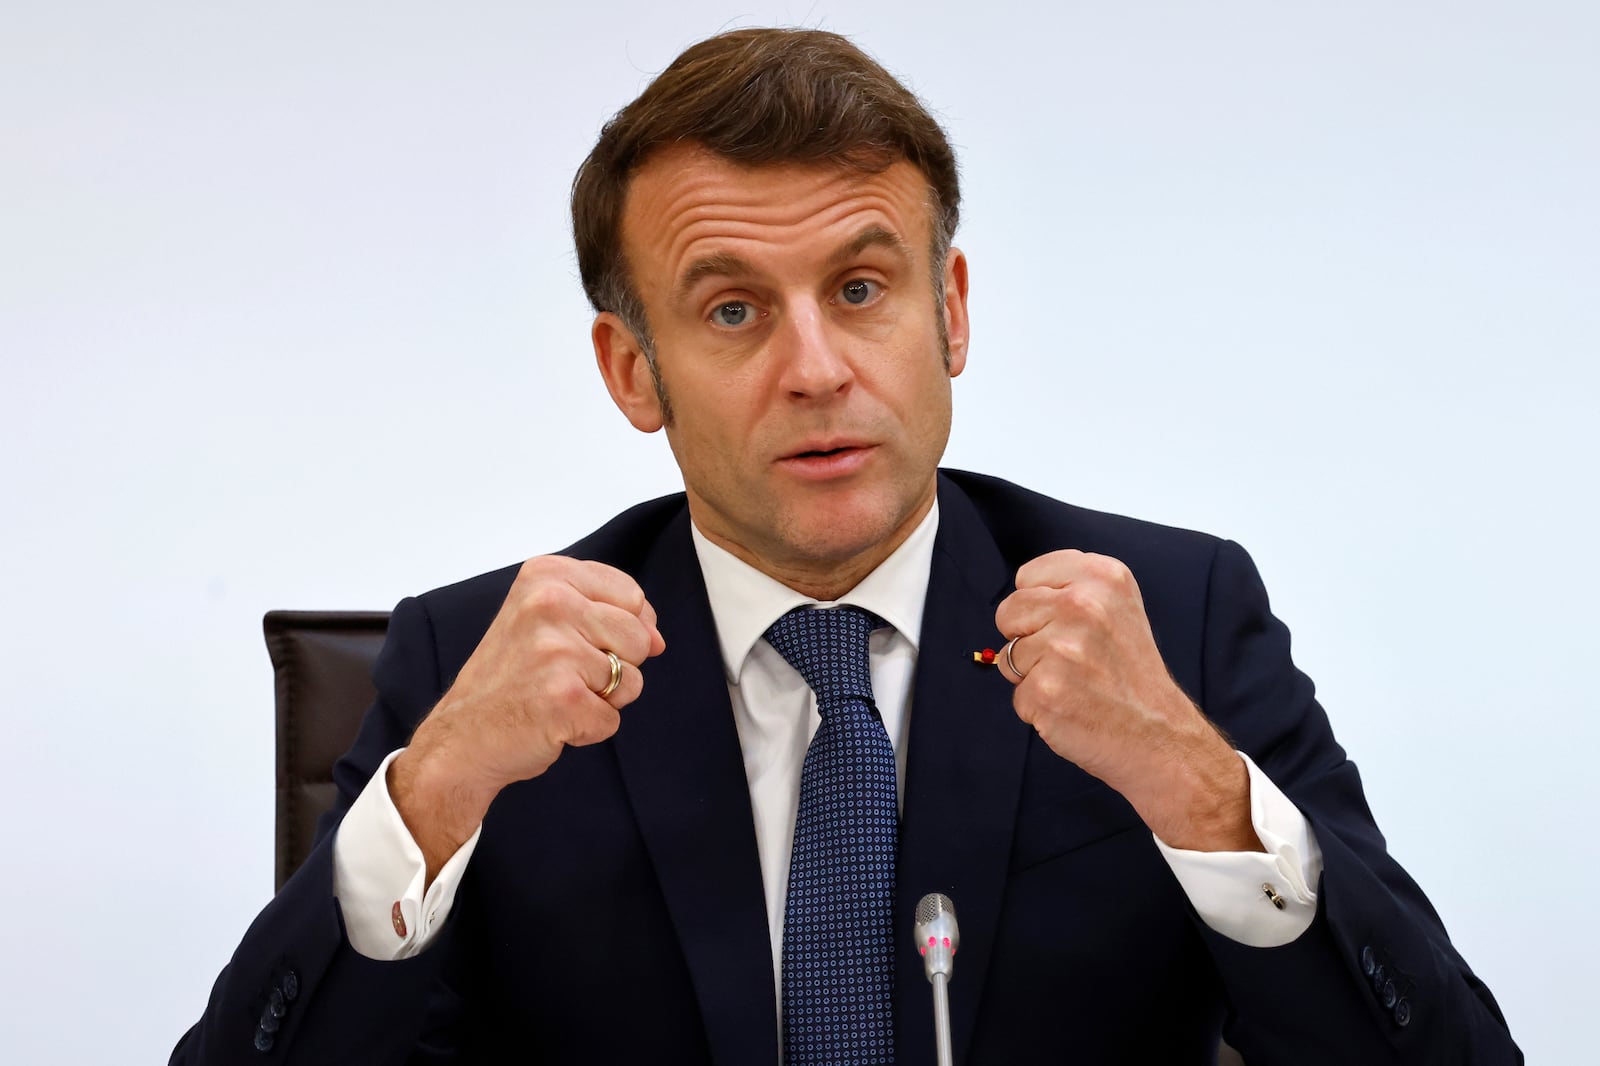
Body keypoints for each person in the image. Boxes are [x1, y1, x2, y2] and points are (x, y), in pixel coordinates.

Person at [172, 27, 1520, 1065]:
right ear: (632, 371)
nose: (817, 368)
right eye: (734, 309)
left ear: (952, 315)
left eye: (862, 290)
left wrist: (1202, 793)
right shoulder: (471, 659)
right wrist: (435, 790)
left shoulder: (1175, 613)